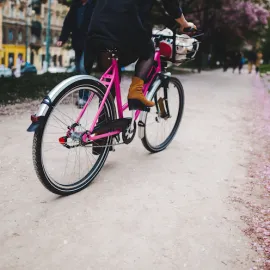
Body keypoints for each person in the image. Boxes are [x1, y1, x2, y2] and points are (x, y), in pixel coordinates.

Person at [84, 0, 196, 154]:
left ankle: (101, 136)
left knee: (110, 78)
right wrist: (184, 23)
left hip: (98, 25)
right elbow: (170, 3)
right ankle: (136, 91)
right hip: (125, 21)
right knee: (148, 51)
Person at [57, 0, 96, 107]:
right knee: (79, 71)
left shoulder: (94, 5)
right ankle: (82, 96)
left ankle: (84, 98)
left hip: (89, 44)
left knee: (83, 68)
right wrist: (62, 38)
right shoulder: (75, 6)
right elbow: (68, 23)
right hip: (77, 43)